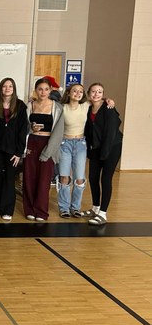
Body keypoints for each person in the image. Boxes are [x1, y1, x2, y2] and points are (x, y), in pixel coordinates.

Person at [23, 77, 64, 221]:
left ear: (50, 90)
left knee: (44, 180)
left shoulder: (57, 107)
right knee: (29, 177)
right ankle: (29, 209)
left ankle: (41, 211)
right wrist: (31, 127)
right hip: (32, 142)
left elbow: (58, 132)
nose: (43, 92)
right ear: (36, 90)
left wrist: (47, 152)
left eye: (46, 89)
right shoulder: (29, 106)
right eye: (40, 89)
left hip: (48, 143)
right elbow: (24, 126)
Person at [0, 78, 28, 221]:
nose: (7, 88)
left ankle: (7, 210)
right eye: (4, 86)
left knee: (9, 179)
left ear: (14, 88)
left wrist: (19, 152)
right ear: (1, 88)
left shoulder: (21, 106)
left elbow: (23, 130)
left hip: (13, 150)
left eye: (10, 86)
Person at [83, 83, 123, 225]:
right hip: (97, 148)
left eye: (100, 92)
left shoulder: (108, 107)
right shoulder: (88, 108)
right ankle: (95, 208)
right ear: (89, 93)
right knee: (93, 178)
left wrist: (105, 153)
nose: (96, 94)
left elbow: (111, 132)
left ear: (103, 94)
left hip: (112, 147)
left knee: (105, 179)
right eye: (93, 91)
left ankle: (103, 214)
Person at [57, 84, 89, 218]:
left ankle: (75, 207)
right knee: (65, 177)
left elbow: (99, 98)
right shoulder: (62, 108)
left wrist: (109, 100)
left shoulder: (86, 106)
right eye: (75, 91)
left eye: (80, 91)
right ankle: (64, 208)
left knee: (80, 178)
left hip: (80, 144)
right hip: (65, 143)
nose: (78, 93)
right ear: (69, 93)